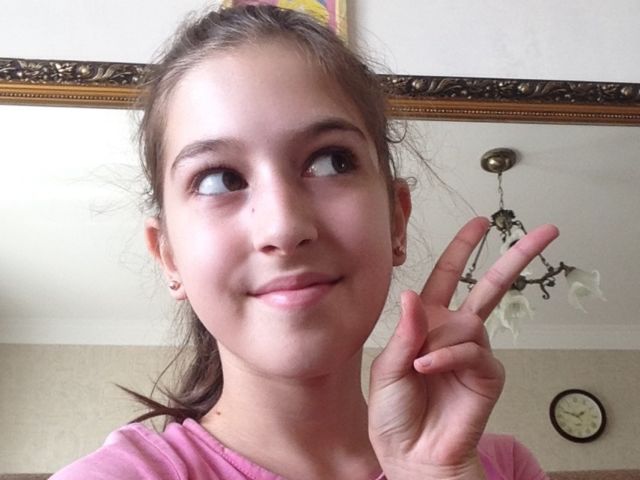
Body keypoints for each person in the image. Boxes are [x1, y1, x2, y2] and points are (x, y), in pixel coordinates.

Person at [52, 5, 556, 480]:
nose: (283, 228)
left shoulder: (501, 468)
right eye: (219, 179)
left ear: (396, 222)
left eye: (332, 161)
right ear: (169, 256)